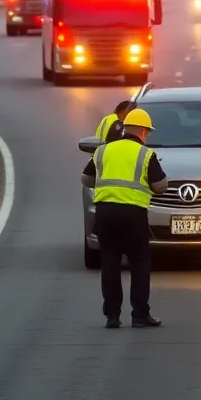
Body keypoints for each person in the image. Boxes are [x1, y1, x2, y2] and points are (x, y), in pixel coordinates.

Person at [81, 108, 168, 328]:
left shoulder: (103, 151)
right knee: (139, 263)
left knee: (109, 262)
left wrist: (105, 186)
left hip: (106, 213)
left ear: (125, 128)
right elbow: (160, 186)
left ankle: (112, 315)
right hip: (133, 215)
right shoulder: (145, 154)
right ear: (144, 132)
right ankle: (139, 314)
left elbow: (85, 178)